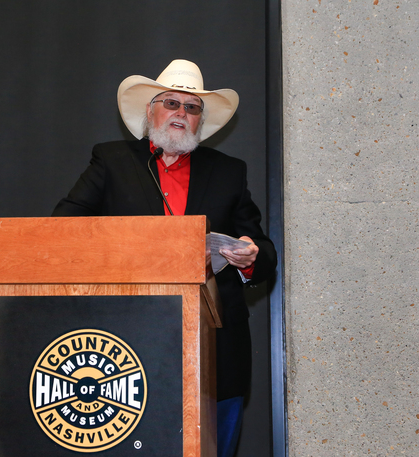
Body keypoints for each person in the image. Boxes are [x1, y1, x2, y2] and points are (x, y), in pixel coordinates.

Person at [52, 59, 277, 457]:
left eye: (192, 108)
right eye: (171, 103)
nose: (181, 114)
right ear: (150, 111)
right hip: (122, 348)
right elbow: (62, 228)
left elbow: (263, 252)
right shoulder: (111, 160)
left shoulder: (228, 171)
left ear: (199, 122)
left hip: (216, 352)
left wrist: (249, 256)